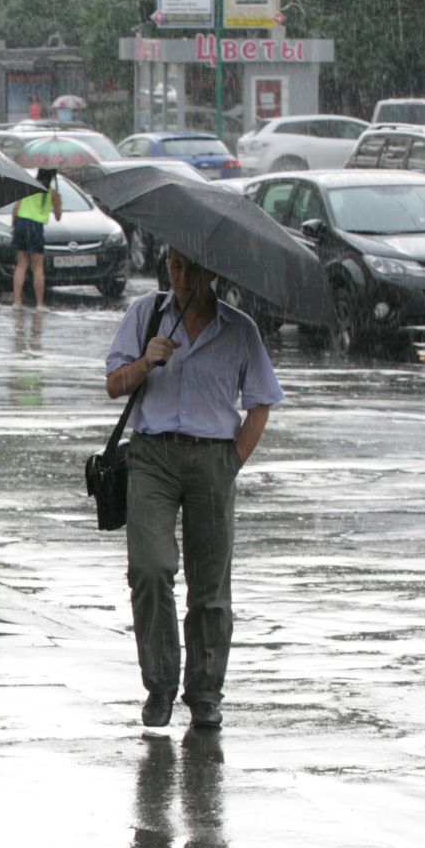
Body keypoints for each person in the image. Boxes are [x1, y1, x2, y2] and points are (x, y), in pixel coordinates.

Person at [104, 248, 281, 730]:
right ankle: (159, 685)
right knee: (150, 568)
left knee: (210, 587)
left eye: (193, 268)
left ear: (214, 272)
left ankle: (205, 692)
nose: (182, 277)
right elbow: (113, 384)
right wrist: (147, 360)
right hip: (153, 456)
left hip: (212, 459)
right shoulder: (147, 315)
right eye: (175, 266)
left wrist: (231, 462)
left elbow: (261, 403)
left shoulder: (240, 329)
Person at [11, 167, 61, 310]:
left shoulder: (27, 186)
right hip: (36, 227)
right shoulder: (51, 193)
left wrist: (13, 225)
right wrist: (57, 200)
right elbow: (58, 217)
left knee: (21, 265)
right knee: (38, 267)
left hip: (21, 224)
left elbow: (16, 208)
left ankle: (17, 302)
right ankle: (39, 303)